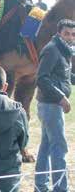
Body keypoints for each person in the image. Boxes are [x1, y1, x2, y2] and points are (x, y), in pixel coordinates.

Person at [34, 19, 75, 192]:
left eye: (73, 34)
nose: (71, 37)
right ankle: (60, 189)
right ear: (59, 33)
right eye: (67, 33)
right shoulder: (52, 49)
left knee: (46, 147)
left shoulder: (64, 50)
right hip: (50, 105)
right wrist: (61, 98)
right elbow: (42, 79)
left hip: (51, 105)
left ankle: (40, 186)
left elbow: (63, 77)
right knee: (59, 147)